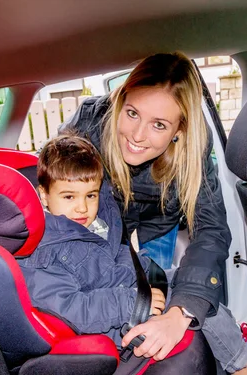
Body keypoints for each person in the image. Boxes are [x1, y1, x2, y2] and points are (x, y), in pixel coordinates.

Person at [59, 52, 247, 375]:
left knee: (179, 287)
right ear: (121, 100)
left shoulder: (194, 150)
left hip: (157, 222)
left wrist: (181, 313)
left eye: (159, 125)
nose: (137, 135)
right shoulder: (89, 125)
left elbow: (211, 230)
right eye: (132, 113)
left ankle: (235, 354)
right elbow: (59, 188)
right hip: (105, 226)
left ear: (179, 130)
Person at [18, 135, 166, 347]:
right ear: (44, 195)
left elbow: (113, 259)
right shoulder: (44, 250)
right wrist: (132, 301)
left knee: (191, 295)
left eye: (91, 195)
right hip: (117, 324)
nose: (83, 208)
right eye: (69, 197)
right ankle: (234, 371)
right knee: (198, 318)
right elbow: (72, 310)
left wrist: (145, 269)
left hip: (133, 288)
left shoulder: (96, 224)